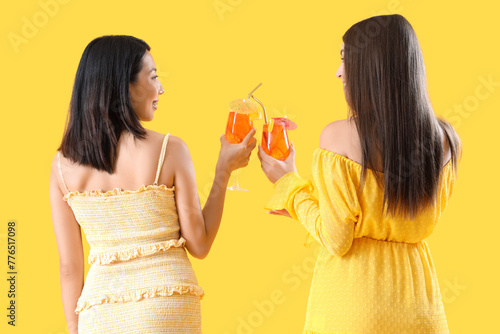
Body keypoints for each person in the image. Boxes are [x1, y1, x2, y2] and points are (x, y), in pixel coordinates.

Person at [258, 14, 462, 333]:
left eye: (345, 60)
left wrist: (289, 185)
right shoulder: (446, 140)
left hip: (354, 307)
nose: (339, 72)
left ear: (371, 67)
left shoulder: (339, 136)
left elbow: (337, 239)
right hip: (422, 307)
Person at [49, 35, 256, 334]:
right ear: (126, 86)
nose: (161, 88)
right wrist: (223, 170)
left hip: (99, 309)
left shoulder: (61, 166)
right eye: (154, 77)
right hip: (166, 304)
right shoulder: (169, 150)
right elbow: (199, 244)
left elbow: (69, 267)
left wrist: (74, 327)